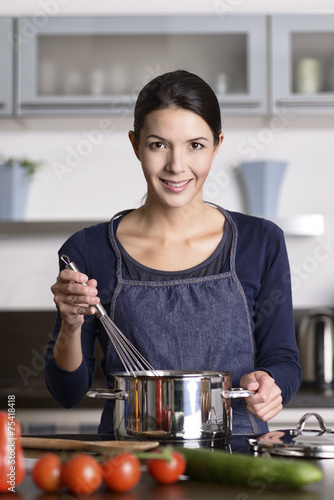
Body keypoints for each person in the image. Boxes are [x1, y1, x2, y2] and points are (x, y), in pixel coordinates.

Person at [45, 70, 302, 436]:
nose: (176, 166)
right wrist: (71, 325)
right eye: (158, 145)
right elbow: (67, 391)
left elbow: (284, 361)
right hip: (131, 464)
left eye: (195, 145)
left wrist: (273, 384)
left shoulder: (260, 242)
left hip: (238, 463)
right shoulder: (88, 251)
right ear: (135, 145)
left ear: (217, 144)